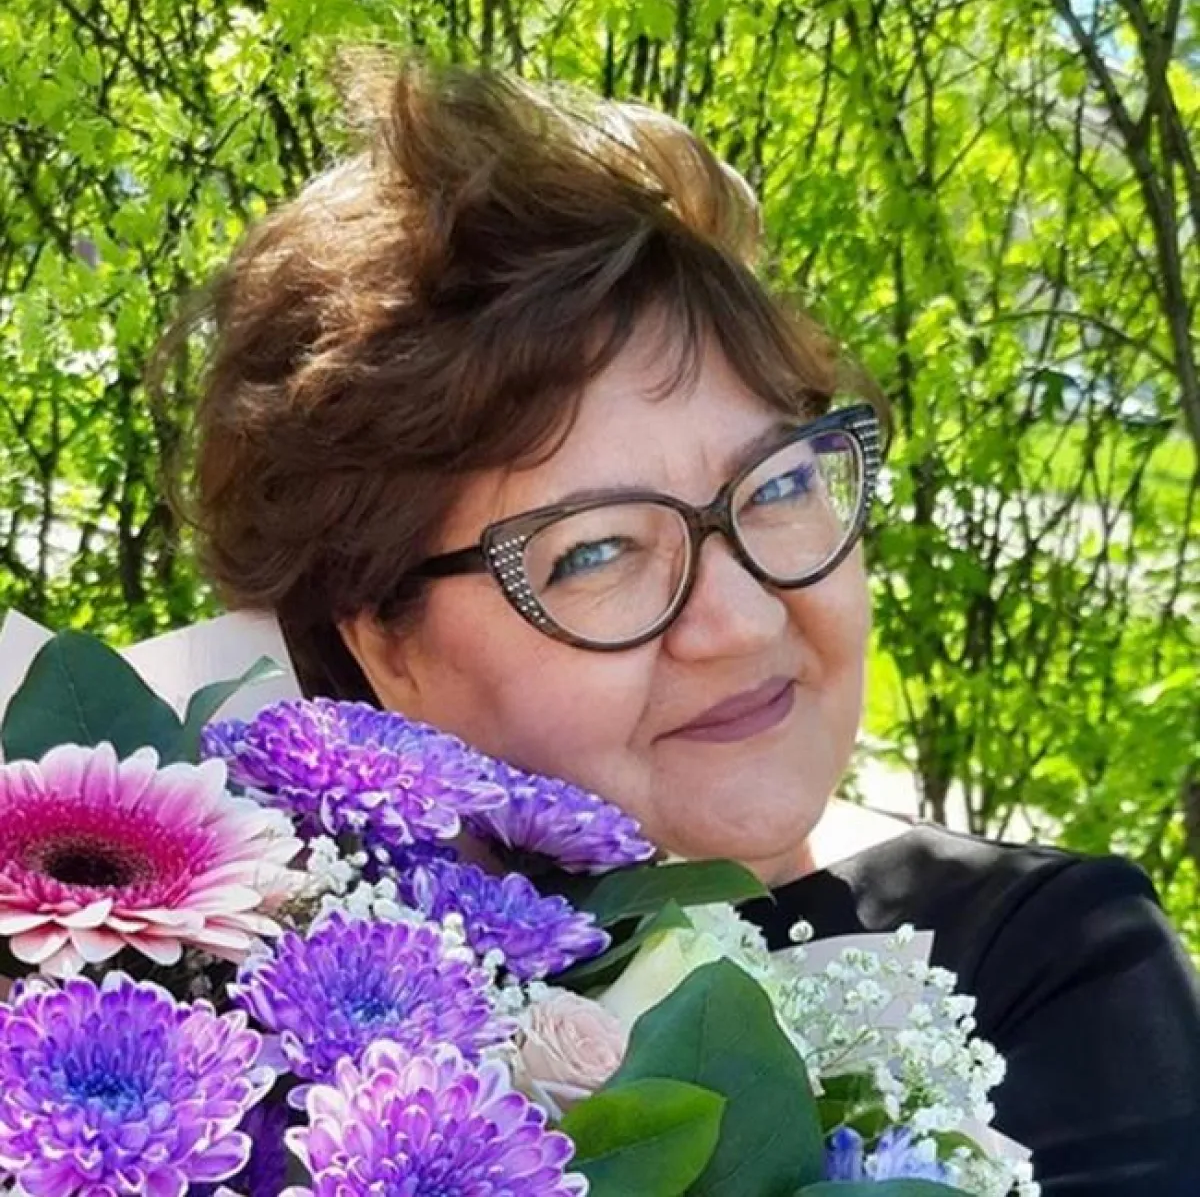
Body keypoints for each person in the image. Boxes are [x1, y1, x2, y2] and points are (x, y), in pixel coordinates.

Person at [179, 59, 1200, 1193]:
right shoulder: (218, 1028)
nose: (743, 620)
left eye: (779, 485)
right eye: (597, 551)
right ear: (385, 641)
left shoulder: (1052, 965)